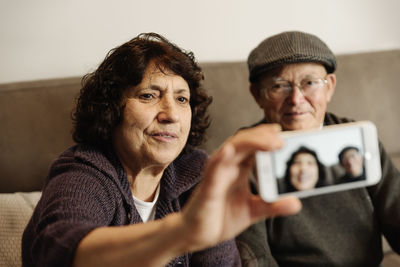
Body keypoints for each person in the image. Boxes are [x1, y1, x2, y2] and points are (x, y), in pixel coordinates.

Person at [21, 32, 301, 267]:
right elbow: (60, 250)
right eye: (149, 95)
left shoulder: (195, 172)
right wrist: (182, 231)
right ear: (111, 110)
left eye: (182, 99)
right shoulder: (85, 171)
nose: (171, 114)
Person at [235, 31, 400, 266]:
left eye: (310, 83)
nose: (296, 99)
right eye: (279, 85)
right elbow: (253, 256)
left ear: (329, 87)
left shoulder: (357, 139)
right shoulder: (243, 154)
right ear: (257, 95)